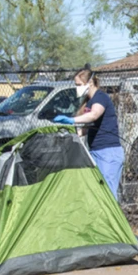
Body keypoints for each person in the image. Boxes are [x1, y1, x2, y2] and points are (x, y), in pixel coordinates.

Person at [53, 67, 124, 201]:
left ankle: (111, 222)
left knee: (107, 194)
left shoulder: (100, 98)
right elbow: (86, 128)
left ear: (90, 83)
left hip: (108, 153)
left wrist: (71, 120)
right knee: (95, 193)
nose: (77, 88)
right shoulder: (89, 101)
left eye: (79, 85)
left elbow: (94, 115)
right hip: (95, 151)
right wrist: (75, 133)